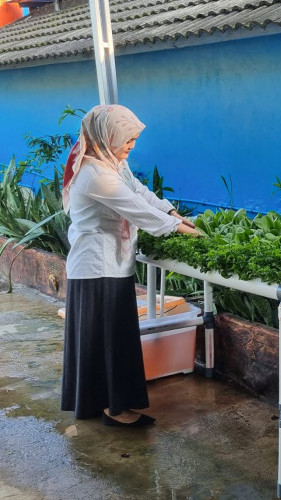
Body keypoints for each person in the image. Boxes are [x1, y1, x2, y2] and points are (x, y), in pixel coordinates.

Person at [60, 104, 201, 427]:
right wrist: (185, 231)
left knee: (103, 337)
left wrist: (173, 214)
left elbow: (140, 192)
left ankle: (98, 404)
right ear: (108, 136)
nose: (132, 146)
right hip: (97, 267)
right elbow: (136, 208)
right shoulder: (95, 174)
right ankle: (115, 409)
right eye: (128, 139)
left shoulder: (110, 164)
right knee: (110, 338)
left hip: (111, 263)